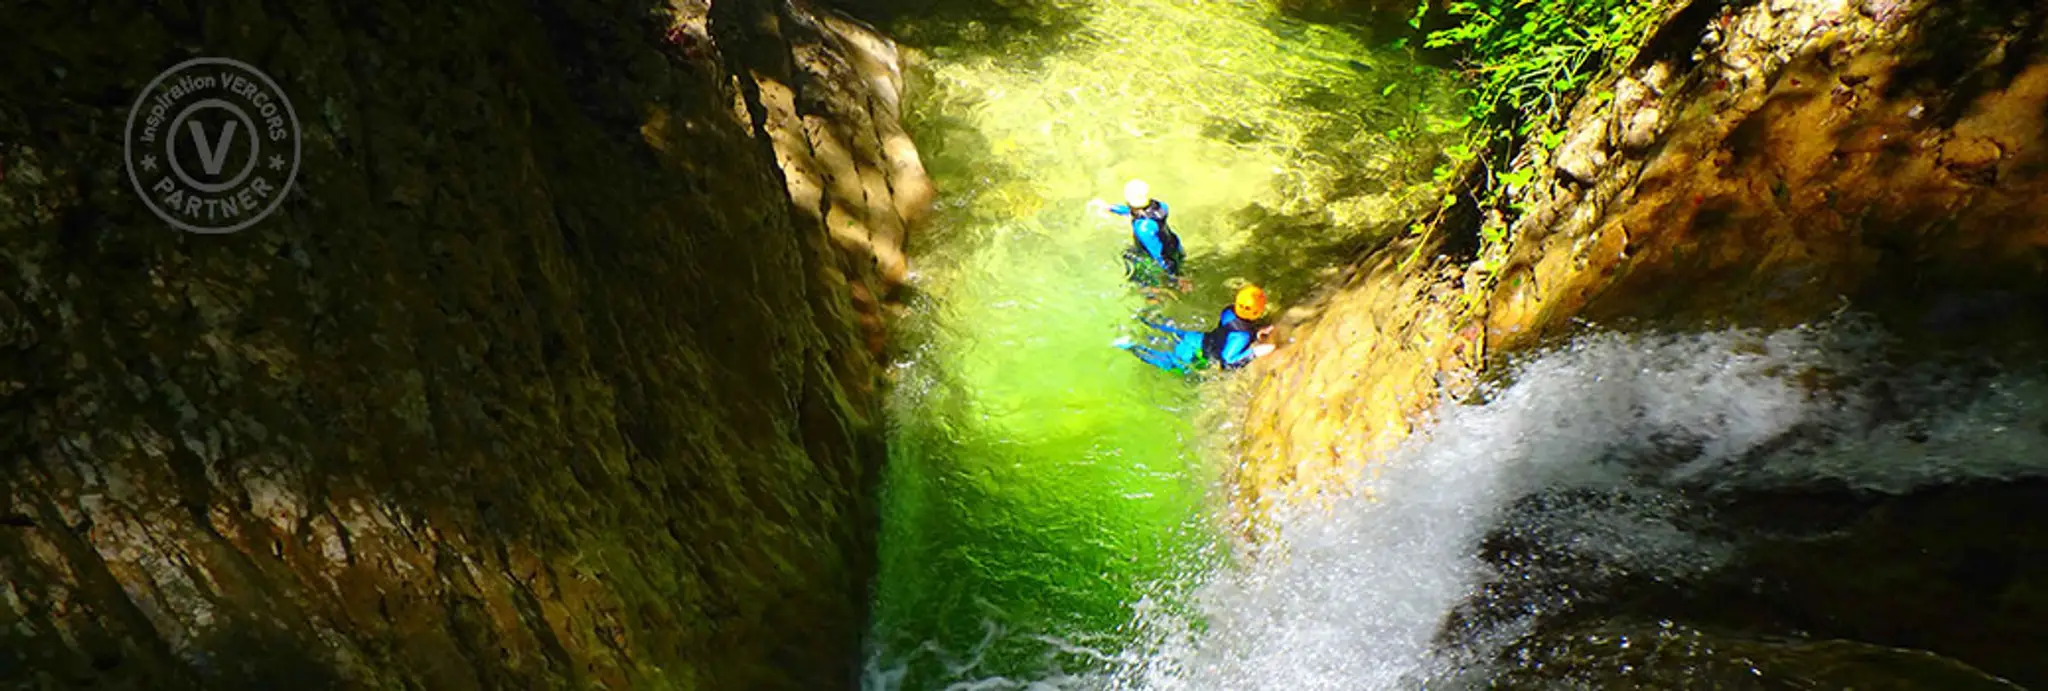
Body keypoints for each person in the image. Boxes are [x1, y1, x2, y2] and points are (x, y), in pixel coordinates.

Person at [1112, 285, 1277, 374]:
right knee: (1168, 363)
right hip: (1195, 353)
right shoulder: (1241, 336)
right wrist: (1254, 353)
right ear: (1257, 312)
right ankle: (1132, 346)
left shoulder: (1229, 311)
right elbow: (1228, 361)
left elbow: (1230, 330)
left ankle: (1143, 320)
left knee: (1165, 333)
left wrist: (1256, 332)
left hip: (1197, 338)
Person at [1089, 179, 1188, 293]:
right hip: (1174, 245)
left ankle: (1154, 298)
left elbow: (1159, 255)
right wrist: (1111, 208)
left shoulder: (1142, 229)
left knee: (1137, 275)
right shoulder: (1161, 207)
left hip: (1153, 258)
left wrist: (1176, 276)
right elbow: (1134, 212)